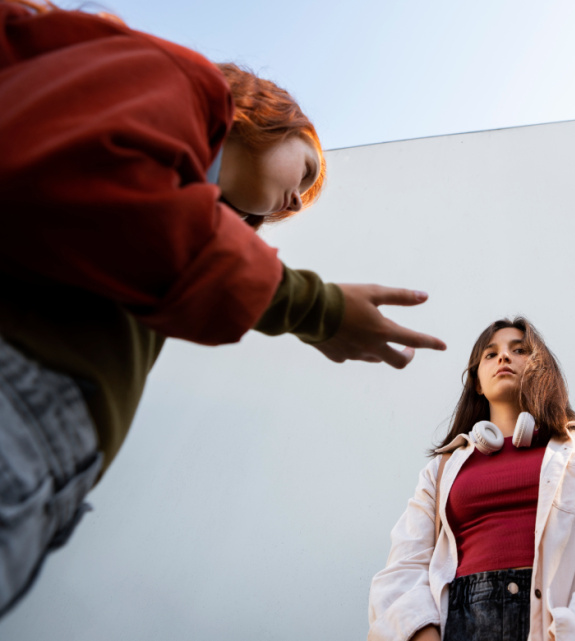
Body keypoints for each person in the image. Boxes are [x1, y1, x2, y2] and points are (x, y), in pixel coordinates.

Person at [0, 0, 445, 616]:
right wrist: (321, 309)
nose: (292, 201)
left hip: (45, 459)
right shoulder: (180, 79)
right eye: (307, 169)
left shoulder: (185, 205)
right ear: (273, 116)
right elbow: (110, 192)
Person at [367, 318, 575, 641]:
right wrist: (421, 634)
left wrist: (574, 634)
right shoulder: (441, 468)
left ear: (540, 368)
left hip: (551, 629)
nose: (503, 357)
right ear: (477, 381)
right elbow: (404, 566)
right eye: (490, 354)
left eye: (518, 350)